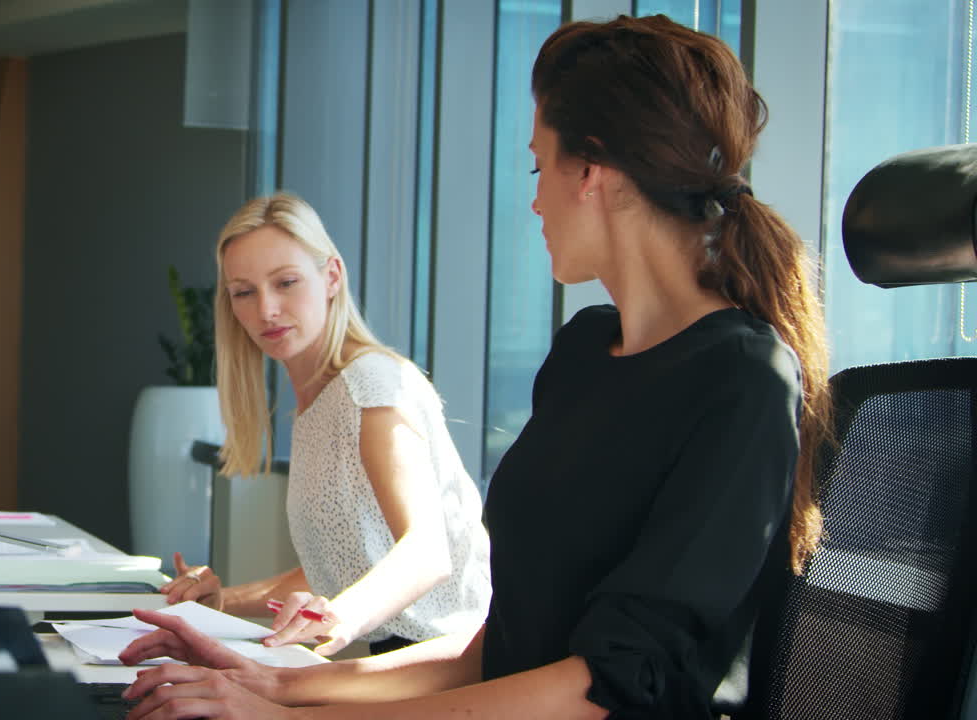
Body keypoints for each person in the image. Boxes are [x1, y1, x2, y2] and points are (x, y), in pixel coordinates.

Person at [117, 14, 835, 719]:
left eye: (537, 164)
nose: (532, 199)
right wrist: (275, 683)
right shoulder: (586, 350)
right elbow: (499, 652)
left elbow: (610, 687)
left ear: (590, 170)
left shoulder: (743, 378)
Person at [158, 191, 491, 657]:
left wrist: (336, 618)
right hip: (398, 660)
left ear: (331, 276)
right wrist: (221, 600)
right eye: (244, 292)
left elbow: (427, 553)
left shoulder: (371, 384)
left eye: (286, 282)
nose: (266, 310)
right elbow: (342, 566)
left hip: (449, 665)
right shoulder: (317, 400)